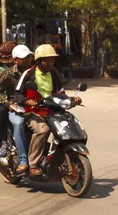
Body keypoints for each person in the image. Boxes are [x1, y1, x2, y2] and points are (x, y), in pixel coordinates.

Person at [14, 44, 74, 177]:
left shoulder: (54, 73)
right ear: (39, 61)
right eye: (47, 60)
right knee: (44, 130)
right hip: (33, 112)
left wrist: (72, 99)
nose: (50, 63)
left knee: (68, 126)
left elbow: (60, 92)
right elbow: (17, 95)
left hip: (52, 110)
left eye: (52, 60)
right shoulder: (29, 74)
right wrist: (26, 101)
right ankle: (33, 164)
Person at [0, 44, 35, 173]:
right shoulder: (8, 74)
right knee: (18, 122)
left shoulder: (34, 72)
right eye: (24, 57)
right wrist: (8, 104)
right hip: (15, 107)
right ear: (15, 60)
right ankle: (22, 159)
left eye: (29, 57)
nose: (28, 59)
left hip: (33, 106)